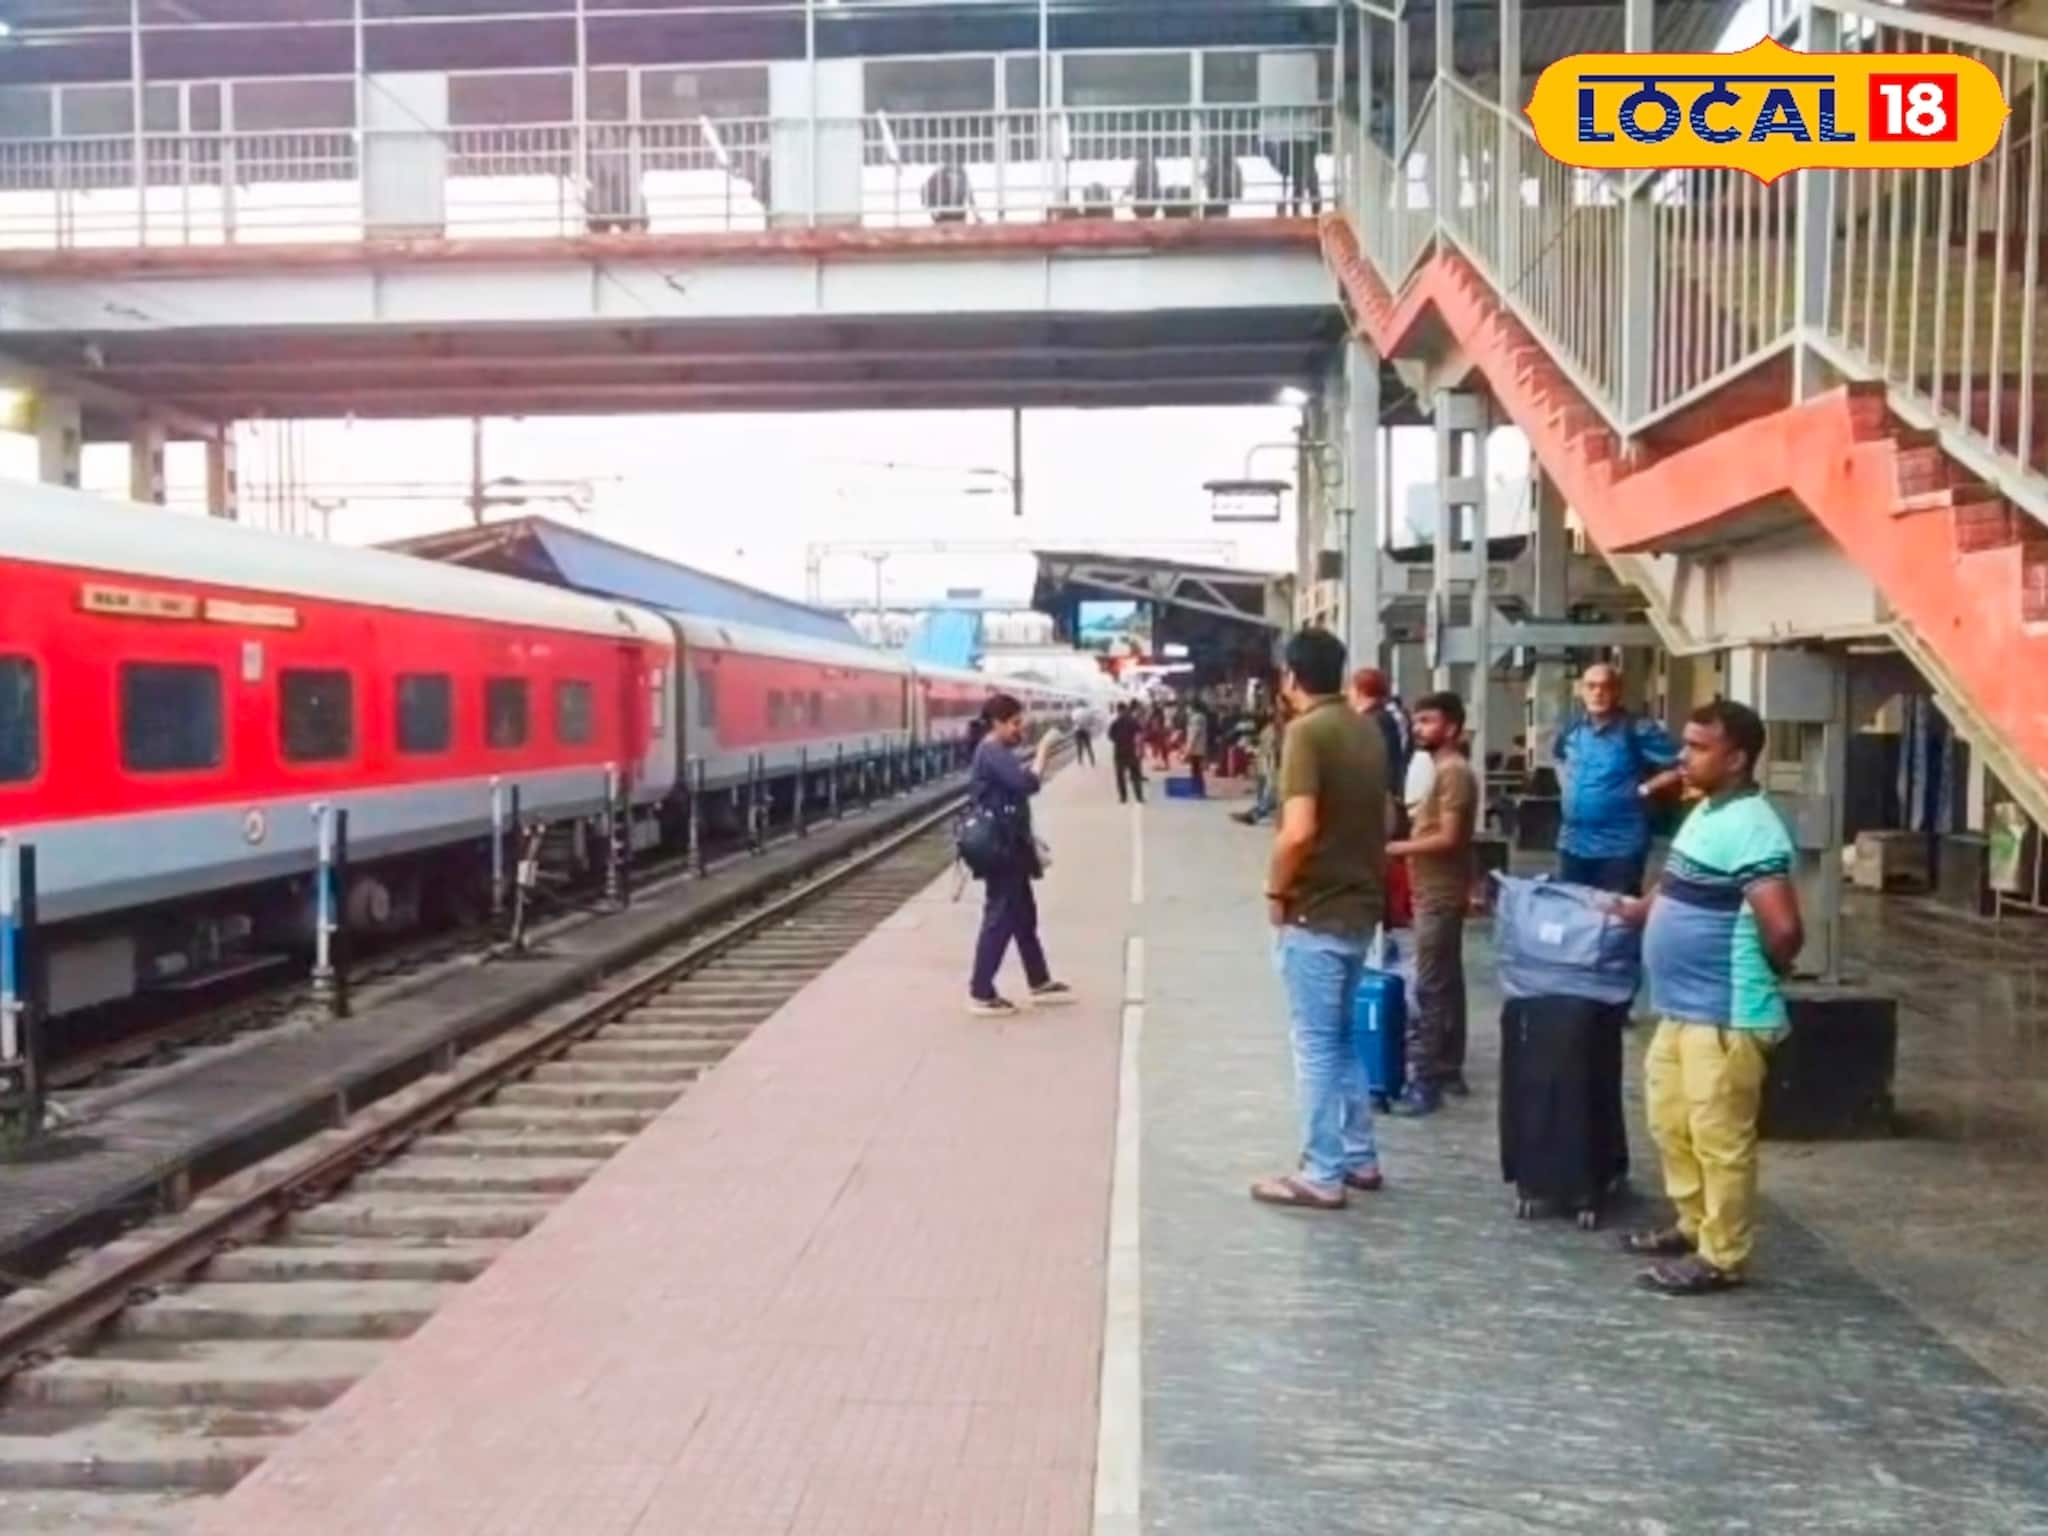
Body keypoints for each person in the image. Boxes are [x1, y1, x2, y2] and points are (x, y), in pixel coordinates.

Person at [1613, 700, 1802, 1296]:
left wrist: (1763, 972)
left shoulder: (1753, 826)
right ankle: (1693, 1224)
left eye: (1698, 747)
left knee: (1720, 1138)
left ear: (1737, 758)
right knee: (1671, 1122)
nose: (1683, 756)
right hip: (1681, 1008)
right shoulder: (1706, 810)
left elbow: (1784, 930)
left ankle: (1722, 1254)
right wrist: (1635, 911)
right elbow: (1675, 883)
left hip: (1724, 1014)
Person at [1250, 628, 1389, 1210]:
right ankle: (1359, 1156)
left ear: (1290, 677)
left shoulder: (1306, 734)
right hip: (1361, 908)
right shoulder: (1366, 728)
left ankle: (1321, 1171)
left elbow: (1298, 831)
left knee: (1313, 1045)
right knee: (1342, 1039)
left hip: (1315, 910)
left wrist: (1275, 890)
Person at [1384, 692, 1476, 1114]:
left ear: (1451, 728)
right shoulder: (1443, 770)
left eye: (1428, 721)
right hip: (1436, 888)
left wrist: (1397, 848)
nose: (1418, 729)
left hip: (1439, 892)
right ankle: (1449, 1067)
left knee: (1431, 985)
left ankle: (1427, 1080)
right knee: (1446, 982)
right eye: (1417, 721)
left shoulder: (1453, 773)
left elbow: (1450, 837)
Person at [966, 696, 1075, 1017]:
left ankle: (1038, 980)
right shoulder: (992, 751)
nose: (1020, 729)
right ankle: (981, 993)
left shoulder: (995, 751)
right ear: (997, 723)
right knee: (1000, 917)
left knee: (1024, 916)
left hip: (1011, 844)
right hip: (1002, 849)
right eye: (1014, 723)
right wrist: (1043, 750)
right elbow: (1026, 784)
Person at [1556, 663, 1683, 894]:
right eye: (1591, 686)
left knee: (1616, 912)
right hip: (1573, 842)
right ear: (1581, 691)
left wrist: (1645, 789)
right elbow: (1558, 757)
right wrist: (1567, 787)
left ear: (1617, 691)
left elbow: (1681, 764)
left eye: (1606, 686)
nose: (1598, 693)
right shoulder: (1572, 728)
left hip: (1620, 845)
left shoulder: (1638, 729)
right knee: (1574, 910)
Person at [1349, 668, 1409, 807]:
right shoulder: (1384, 716)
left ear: (1361, 690)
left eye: (1350, 689)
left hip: (1377, 792)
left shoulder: (1372, 720)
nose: (1348, 695)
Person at [1231, 704, 1285, 826]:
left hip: (1274, 764)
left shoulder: (1280, 729)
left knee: (1272, 792)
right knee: (1268, 790)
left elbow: (1276, 749)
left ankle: (1255, 814)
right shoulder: (1271, 729)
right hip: (1268, 763)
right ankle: (1257, 812)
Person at [1107, 701, 1146, 805]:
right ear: (1126, 710)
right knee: (1135, 776)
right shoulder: (1133, 721)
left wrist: (1118, 740)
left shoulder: (1115, 723)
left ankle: (1123, 798)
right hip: (1131, 752)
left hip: (1119, 753)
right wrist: (1138, 747)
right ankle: (1139, 797)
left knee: (1121, 777)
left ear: (1118, 711)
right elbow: (1140, 733)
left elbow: (1110, 736)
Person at [1183, 700, 1211, 795]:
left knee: (1196, 770)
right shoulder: (1201, 717)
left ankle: (1197, 790)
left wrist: (1188, 749)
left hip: (1195, 748)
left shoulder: (1196, 718)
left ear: (1192, 708)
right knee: (1197, 770)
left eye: (1188, 707)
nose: (1187, 710)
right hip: (1199, 747)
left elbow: (1194, 734)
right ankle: (1199, 790)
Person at [1070, 703, 1097, 767]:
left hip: (1078, 730)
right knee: (1088, 746)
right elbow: (1092, 721)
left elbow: (1074, 721)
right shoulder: (1088, 712)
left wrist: (1079, 724)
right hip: (1086, 730)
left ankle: (1080, 760)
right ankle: (1092, 760)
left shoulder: (1075, 712)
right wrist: (1088, 725)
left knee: (1079, 746)